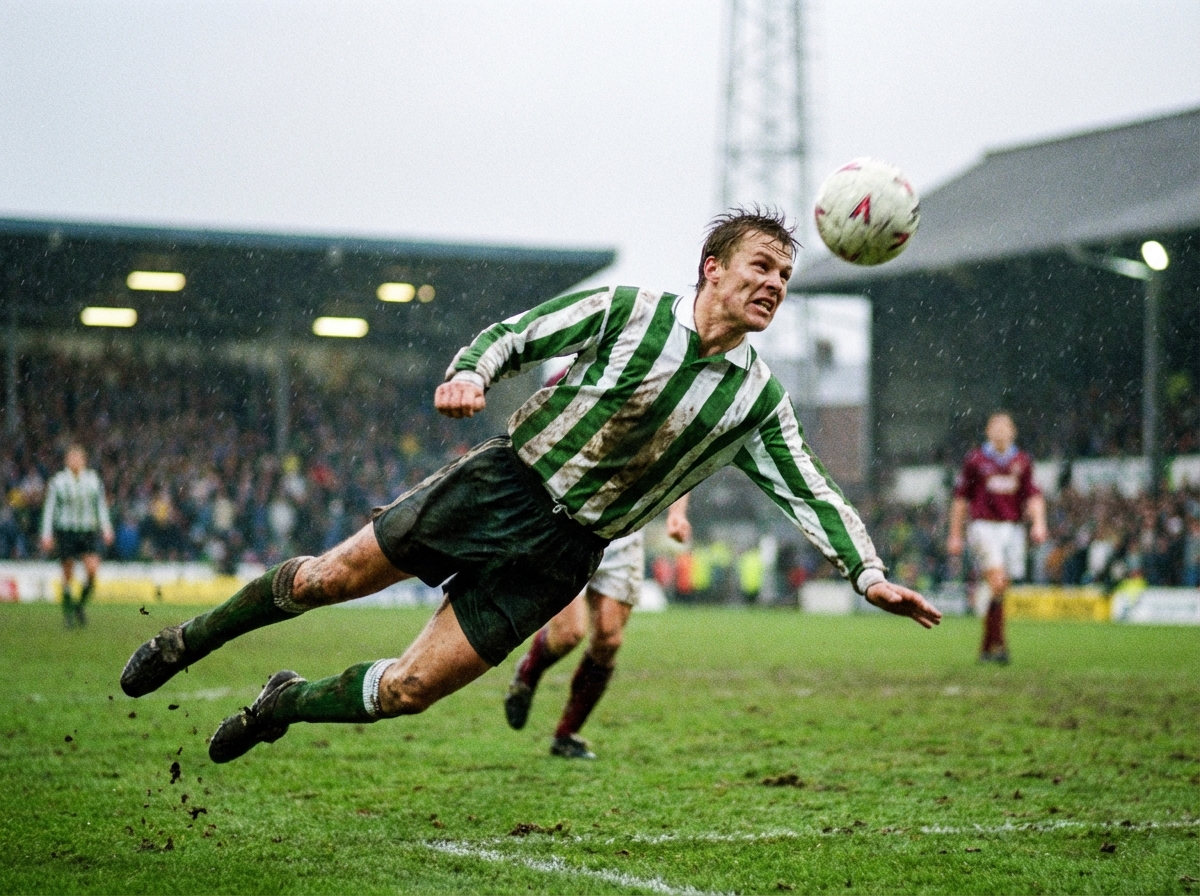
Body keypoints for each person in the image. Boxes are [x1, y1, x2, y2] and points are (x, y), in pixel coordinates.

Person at [120, 208, 941, 764]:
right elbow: (521, 333)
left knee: (410, 690)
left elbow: (813, 490)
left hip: (562, 555)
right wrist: (472, 374)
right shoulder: (628, 312)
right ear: (712, 268)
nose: (773, 285)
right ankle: (186, 642)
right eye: (761, 266)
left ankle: (283, 705)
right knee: (325, 580)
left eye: (785, 278)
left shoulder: (758, 398)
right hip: (502, 484)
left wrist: (867, 572)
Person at [504, 494, 692, 759]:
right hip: (574, 524)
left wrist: (677, 514)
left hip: (626, 533)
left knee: (609, 640)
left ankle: (566, 736)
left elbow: (679, 455)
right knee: (569, 634)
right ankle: (528, 672)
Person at [946, 412, 1047, 663]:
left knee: (999, 590)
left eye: (1005, 427)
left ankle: (987, 647)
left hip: (1012, 529)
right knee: (998, 582)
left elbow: (1033, 495)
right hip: (983, 526)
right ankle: (1000, 646)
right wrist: (955, 535)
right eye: (996, 427)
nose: (1001, 432)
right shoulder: (976, 460)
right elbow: (961, 499)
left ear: (1013, 432)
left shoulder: (1022, 461)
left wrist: (1039, 524)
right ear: (988, 431)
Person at [40, 445, 114, 627]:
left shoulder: (93, 480)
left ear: (83, 460)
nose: (75, 461)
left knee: (92, 570)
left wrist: (106, 528)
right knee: (67, 572)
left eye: (78, 458)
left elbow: (100, 506)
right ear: (67, 460)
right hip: (66, 531)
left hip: (87, 531)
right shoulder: (58, 481)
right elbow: (49, 509)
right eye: (71, 458)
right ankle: (68, 616)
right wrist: (46, 534)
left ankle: (79, 605)